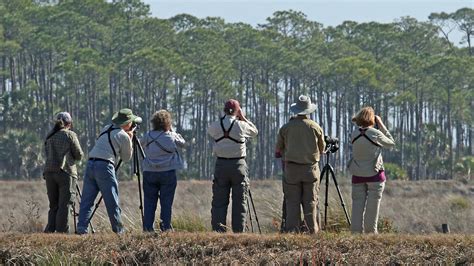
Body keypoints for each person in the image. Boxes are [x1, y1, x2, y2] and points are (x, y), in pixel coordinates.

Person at [76, 108, 137, 234]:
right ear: (127, 124)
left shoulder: (106, 128)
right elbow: (126, 158)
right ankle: (119, 231)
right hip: (104, 166)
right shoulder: (124, 136)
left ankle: (81, 229)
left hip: (91, 163)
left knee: (87, 201)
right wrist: (129, 139)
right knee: (112, 200)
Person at [276, 95, 325, 233]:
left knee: (292, 203)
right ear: (309, 110)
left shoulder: (285, 128)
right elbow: (322, 149)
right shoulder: (316, 127)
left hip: (291, 170)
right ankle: (311, 231)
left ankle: (292, 231)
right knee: (310, 203)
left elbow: (278, 148)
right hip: (311, 170)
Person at [207, 99, 258, 233]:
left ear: (224, 110)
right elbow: (254, 132)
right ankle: (238, 232)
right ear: (237, 110)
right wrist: (243, 117)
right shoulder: (241, 125)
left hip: (221, 164)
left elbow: (210, 131)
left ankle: (218, 231)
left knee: (219, 201)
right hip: (238, 165)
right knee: (240, 201)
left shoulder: (216, 125)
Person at [348, 106, 395, 234]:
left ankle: (355, 234)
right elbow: (391, 143)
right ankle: (371, 234)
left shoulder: (354, 134)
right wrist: (381, 124)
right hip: (375, 175)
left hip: (357, 175)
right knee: (372, 207)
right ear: (372, 119)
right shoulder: (375, 133)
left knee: (357, 206)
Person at [140, 110, 186, 232]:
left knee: (149, 202)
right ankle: (165, 227)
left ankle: (148, 228)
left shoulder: (148, 135)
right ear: (167, 123)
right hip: (168, 172)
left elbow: (139, 144)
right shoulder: (171, 136)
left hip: (149, 172)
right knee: (166, 202)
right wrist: (172, 130)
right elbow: (183, 143)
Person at [43, 112, 83, 233]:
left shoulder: (49, 136)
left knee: (53, 205)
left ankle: (50, 230)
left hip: (49, 173)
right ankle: (62, 233)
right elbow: (79, 155)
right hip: (65, 172)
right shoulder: (70, 135)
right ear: (69, 123)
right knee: (65, 205)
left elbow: (46, 154)